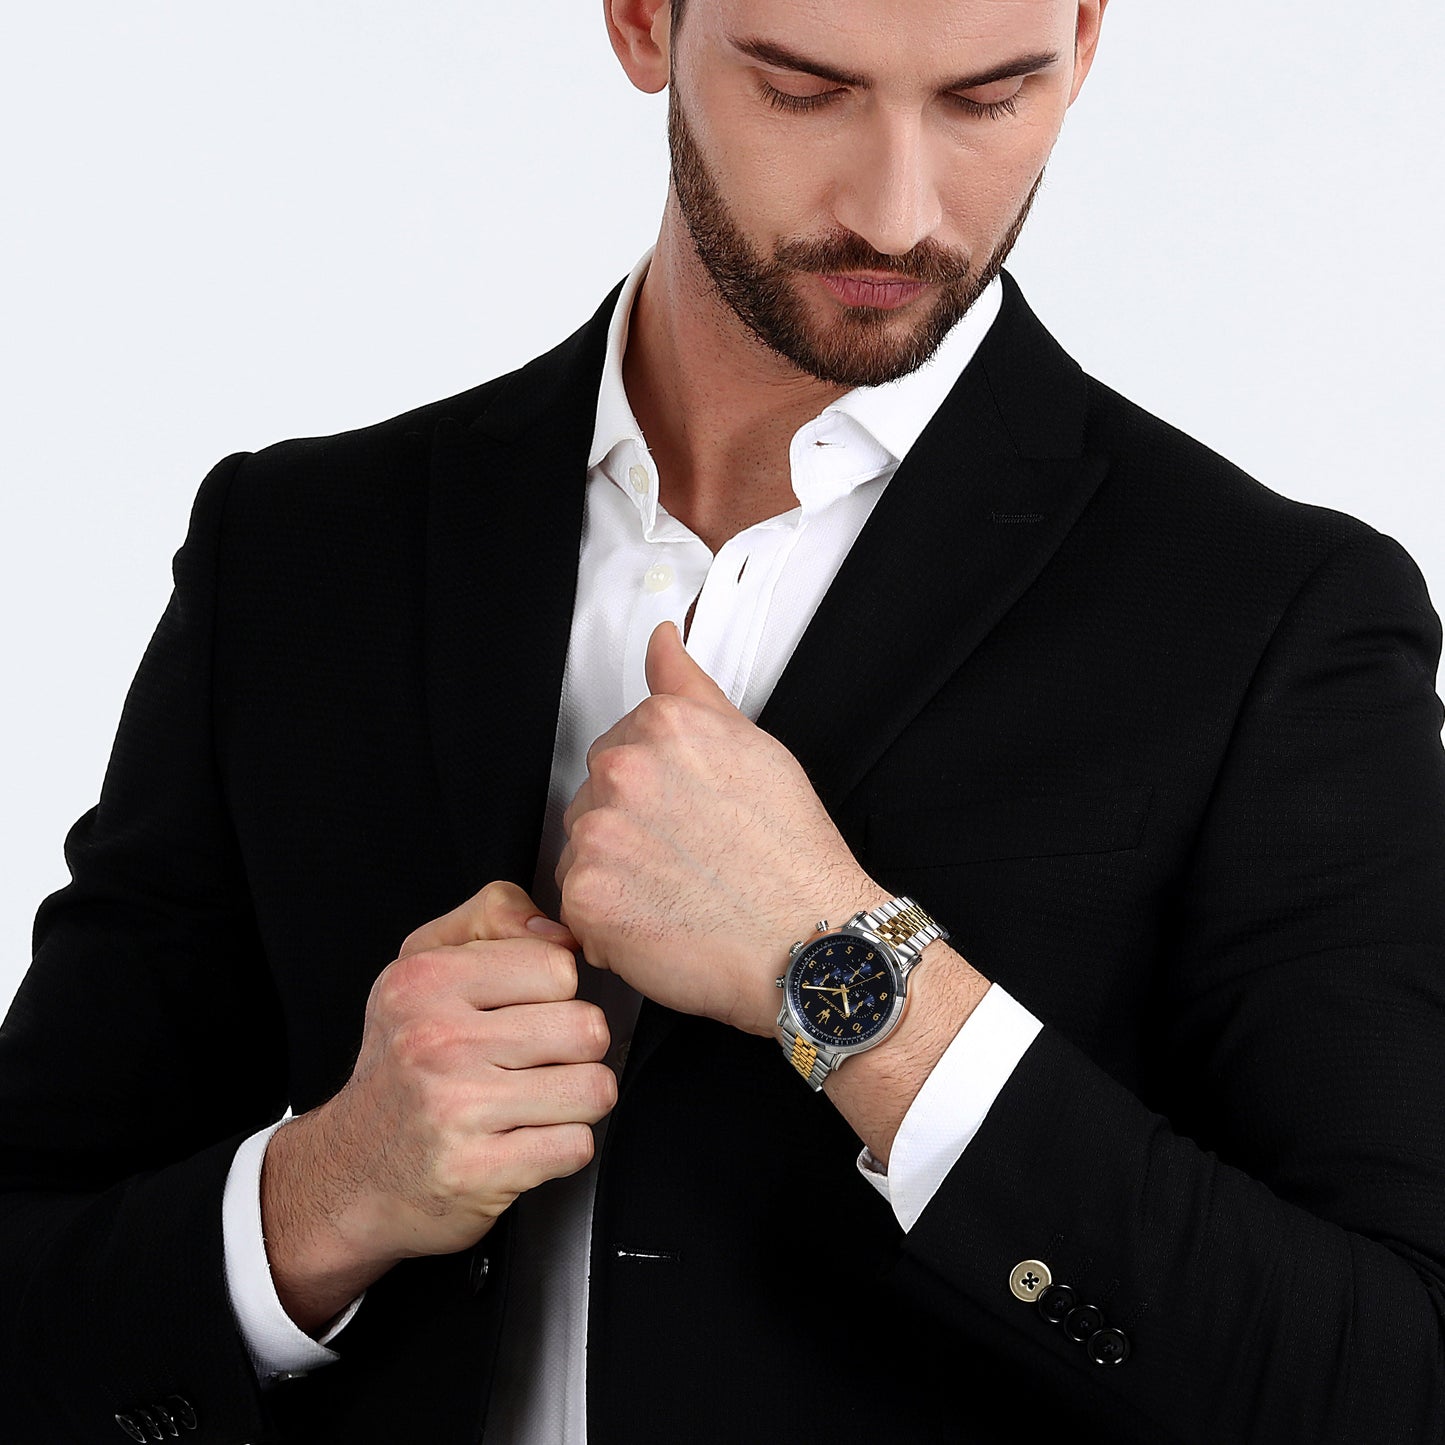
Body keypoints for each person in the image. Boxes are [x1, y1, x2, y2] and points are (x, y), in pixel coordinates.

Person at [2, 0, 1443, 1440]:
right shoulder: (302, 556)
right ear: (644, 23)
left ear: (1080, 39)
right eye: (803, 90)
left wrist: (855, 981)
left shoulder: (1272, 618)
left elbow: (1394, 1379)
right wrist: (324, 1195)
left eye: (985, 99)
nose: (897, 211)